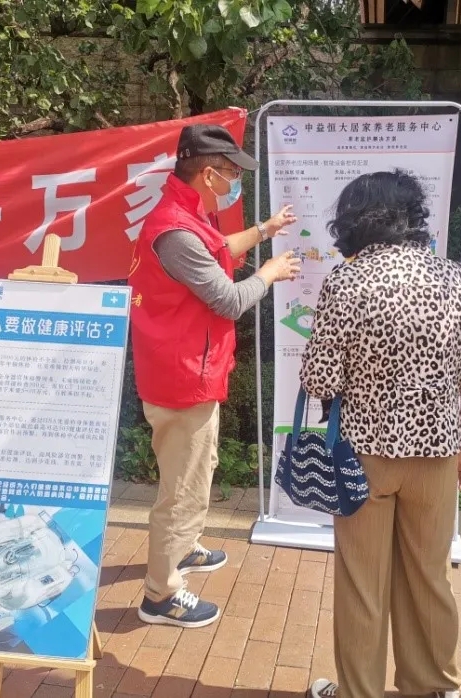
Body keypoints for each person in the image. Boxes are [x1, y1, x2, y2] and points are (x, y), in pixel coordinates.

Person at [301, 170, 461, 698]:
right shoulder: (456, 279)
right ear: (413, 216)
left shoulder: (346, 281)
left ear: (353, 220)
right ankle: (433, 687)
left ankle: (358, 691)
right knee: (430, 576)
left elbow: (320, 379)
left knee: (362, 582)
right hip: (437, 453)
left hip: (363, 456)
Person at [128, 124, 301, 628]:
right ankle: (160, 595)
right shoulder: (176, 231)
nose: (233, 183)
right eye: (230, 174)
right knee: (181, 487)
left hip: (191, 370)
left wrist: (265, 230)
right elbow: (226, 298)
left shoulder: (185, 216)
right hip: (182, 378)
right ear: (208, 174)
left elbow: (219, 246)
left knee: (199, 468)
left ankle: (183, 548)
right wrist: (269, 274)